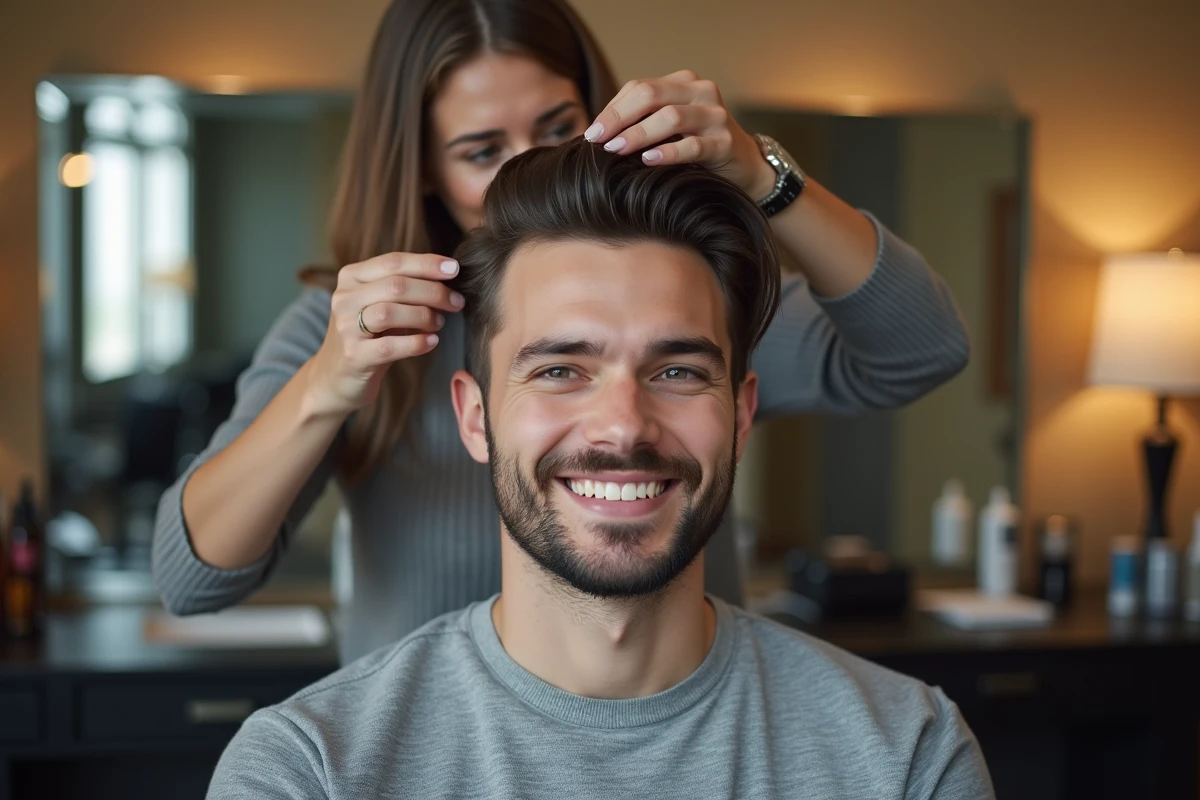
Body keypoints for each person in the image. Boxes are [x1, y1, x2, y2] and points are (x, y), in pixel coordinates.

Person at [152, 0, 970, 662]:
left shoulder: (685, 303)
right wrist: (326, 384)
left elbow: (923, 350)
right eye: (482, 151)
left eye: (556, 128)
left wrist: (763, 174)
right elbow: (193, 579)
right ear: (424, 171)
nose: (527, 168)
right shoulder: (349, 333)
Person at [207, 140, 992, 800]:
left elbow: (925, 344)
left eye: (677, 371)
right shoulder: (308, 771)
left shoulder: (906, 756)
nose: (623, 426)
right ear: (476, 417)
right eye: (560, 371)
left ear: (741, 413)